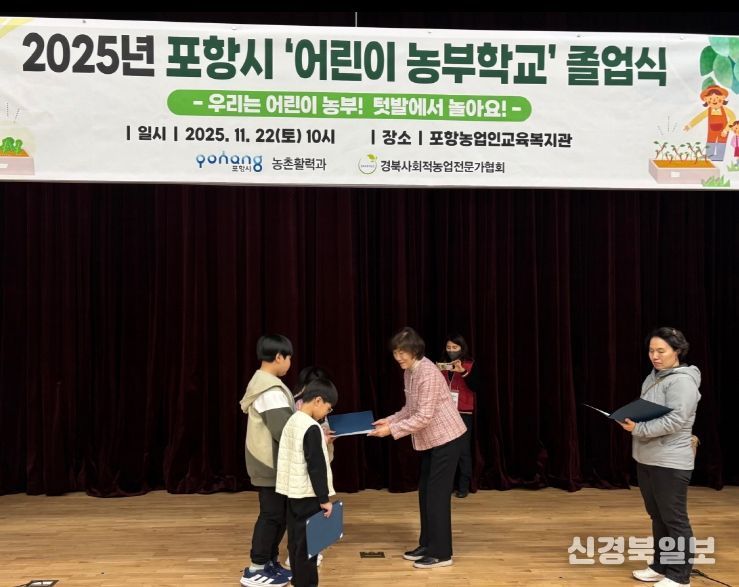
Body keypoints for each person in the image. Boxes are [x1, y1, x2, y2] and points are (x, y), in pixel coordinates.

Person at [370, 327, 466, 569]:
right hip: (432, 440)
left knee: (437, 497)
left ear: (415, 351)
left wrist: (391, 430)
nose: (398, 357)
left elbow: (423, 416)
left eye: (402, 352)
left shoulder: (428, 373)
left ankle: (442, 553)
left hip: (447, 438)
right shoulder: (410, 371)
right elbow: (410, 409)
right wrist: (388, 420)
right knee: (425, 493)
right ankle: (428, 544)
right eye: (395, 352)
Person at [620, 327, 701, 587]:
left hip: (670, 460)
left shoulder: (683, 381)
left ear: (677, 351)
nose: (654, 356)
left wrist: (638, 428)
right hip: (648, 457)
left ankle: (679, 576)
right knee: (657, 515)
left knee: (674, 518)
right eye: (651, 351)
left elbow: (676, 420)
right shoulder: (653, 377)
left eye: (661, 351)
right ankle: (661, 565)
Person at [239, 334, 295, 587]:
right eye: (289, 358)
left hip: (273, 463)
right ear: (279, 357)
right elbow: (284, 431)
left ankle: (270, 562)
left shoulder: (266, 384)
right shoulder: (269, 390)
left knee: (279, 514)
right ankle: (256, 568)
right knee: (272, 515)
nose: (290, 364)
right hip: (270, 463)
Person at [276, 377, 338, 587]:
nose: (326, 414)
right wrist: (324, 499)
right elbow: (316, 467)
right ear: (318, 401)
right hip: (308, 495)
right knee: (309, 547)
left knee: (295, 542)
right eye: (328, 409)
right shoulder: (311, 427)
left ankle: (297, 580)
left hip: (292, 493)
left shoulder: (293, 421)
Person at [438, 333, 481, 498]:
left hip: (463, 413)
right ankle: (446, 486)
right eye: (448, 347)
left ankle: (463, 487)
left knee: (463, 451)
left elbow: (476, 386)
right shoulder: (442, 365)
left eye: (454, 347)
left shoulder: (469, 364)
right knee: (445, 451)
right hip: (444, 413)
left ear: (461, 348)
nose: (451, 350)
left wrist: (463, 372)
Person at [683, 84, 736, 161]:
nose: (714, 101)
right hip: (711, 130)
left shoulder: (725, 110)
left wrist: (726, 129)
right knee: (710, 141)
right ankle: (709, 156)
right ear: (706, 100)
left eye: (717, 98)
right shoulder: (708, 110)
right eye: (710, 99)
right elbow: (699, 117)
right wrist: (689, 125)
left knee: (721, 142)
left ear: (723, 98)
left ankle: (719, 157)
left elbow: (733, 117)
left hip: (723, 131)